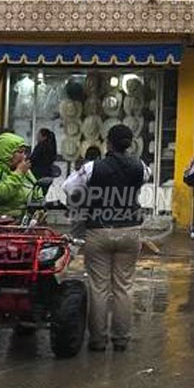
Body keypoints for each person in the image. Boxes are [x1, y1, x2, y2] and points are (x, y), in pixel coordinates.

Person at [64, 124, 149, 352]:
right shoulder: (140, 167)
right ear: (130, 143)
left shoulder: (93, 168)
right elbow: (143, 179)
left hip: (99, 230)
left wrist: (86, 200)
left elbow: (68, 187)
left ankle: (98, 341)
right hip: (130, 230)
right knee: (123, 286)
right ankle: (121, 339)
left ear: (108, 143)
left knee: (98, 287)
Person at [0, 132, 38, 222]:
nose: (23, 156)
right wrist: (18, 173)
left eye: (25, 152)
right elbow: (1, 194)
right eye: (20, 152)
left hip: (24, 222)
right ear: (6, 152)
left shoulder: (25, 172)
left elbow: (36, 190)